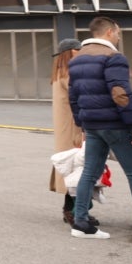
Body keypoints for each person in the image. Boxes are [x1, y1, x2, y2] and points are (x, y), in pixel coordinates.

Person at [67, 16, 132, 239]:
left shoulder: (76, 60)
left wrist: (81, 125)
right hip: (116, 125)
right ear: (110, 32)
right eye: (118, 33)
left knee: (89, 173)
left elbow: (73, 96)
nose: (119, 37)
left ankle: (80, 222)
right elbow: (120, 94)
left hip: (92, 125)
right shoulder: (114, 57)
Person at [49, 37, 88, 226]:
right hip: (73, 128)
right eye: (79, 49)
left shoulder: (59, 72)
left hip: (64, 128)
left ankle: (75, 210)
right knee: (77, 169)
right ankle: (72, 211)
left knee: (72, 167)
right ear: (72, 51)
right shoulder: (70, 73)